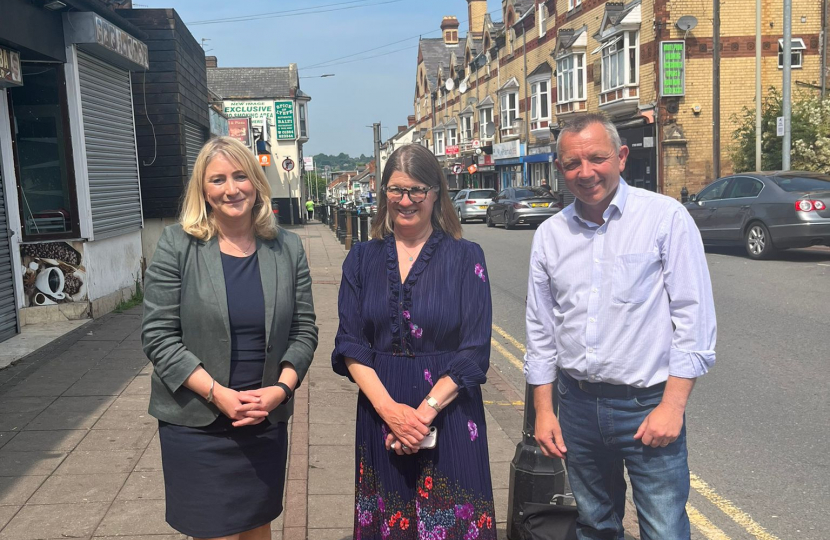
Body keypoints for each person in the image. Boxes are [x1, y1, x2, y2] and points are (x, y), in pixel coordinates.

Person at [524, 114, 716, 540]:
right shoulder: (550, 235)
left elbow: (693, 317)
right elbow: (541, 331)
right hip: (577, 407)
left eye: (597, 158)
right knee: (595, 527)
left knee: (664, 530)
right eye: (573, 164)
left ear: (622, 157)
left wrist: (673, 407)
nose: (586, 172)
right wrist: (543, 410)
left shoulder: (665, 217)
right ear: (560, 169)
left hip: (647, 405)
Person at [142, 136, 319, 540]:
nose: (231, 188)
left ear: (256, 182)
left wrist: (281, 390)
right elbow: (158, 336)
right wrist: (216, 393)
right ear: (203, 190)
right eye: (218, 179)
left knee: (258, 529)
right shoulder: (176, 245)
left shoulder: (287, 248)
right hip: (198, 424)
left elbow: (304, 330)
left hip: (263, 418)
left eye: (241, 176)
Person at [332, 143, 497, 540]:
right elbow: (350, 344)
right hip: (381, 415)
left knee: (454, 526)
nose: (406, 201)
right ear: (384, 192)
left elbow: (475, 350)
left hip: (450, 414)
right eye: (396, 190)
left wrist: (421, 417)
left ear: (436, 193)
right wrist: (392, 413)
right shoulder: (360, 258)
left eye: (417, 190)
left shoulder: (465, 256)